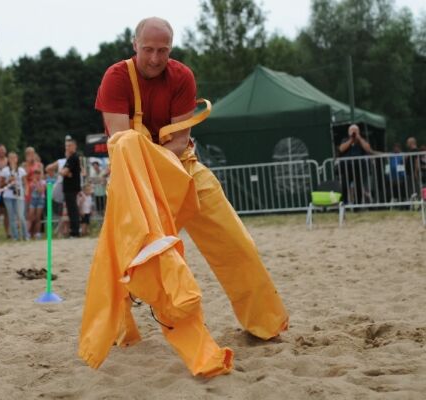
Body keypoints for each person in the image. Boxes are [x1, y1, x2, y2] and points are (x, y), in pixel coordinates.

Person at [91, 17, 287, 342]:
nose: (155, 58)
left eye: (163, 50)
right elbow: (120, 141)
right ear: (134, 45)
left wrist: (163, 169)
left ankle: (265, 325)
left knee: (237, 244)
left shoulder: (182, 76)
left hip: (184, 169)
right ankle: (120, 331)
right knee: (124, 258)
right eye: (148, 49)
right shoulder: (116, 77)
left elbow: (180, 141)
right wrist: (150, 178)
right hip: (136, 182)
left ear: (171, 48)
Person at [338, 124, 373, 204]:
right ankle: (344, 203)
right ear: (348, 132)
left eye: (355, 131)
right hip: (346, 167)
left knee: (358, 186)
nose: (354, 132)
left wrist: (359, 138)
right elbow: (341, 149)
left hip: (359, 167)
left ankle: (357, 204)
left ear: (359, 132)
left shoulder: (362, 140)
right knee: (344, 186)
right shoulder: (345, 140)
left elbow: (368, 149)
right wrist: (351, 140)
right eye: (352, 131)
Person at [1, 151, 28, 240]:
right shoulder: (5, 170)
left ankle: (25, 235)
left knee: (21, 215)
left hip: (19, 195)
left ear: (17, 159)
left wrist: (26, 191)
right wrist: (8, 181)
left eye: (14, 158)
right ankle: (15, 236)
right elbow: (1, 183)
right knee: (11, 216)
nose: (12, 160)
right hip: (8, 196)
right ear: (8, 160)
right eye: (10, 158)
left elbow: (25, 182)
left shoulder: (21, 170)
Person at [61, 136, 81, 237]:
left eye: (69, 146)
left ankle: (75, 231)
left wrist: (65, 172)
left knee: (73, 210)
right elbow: (65, 172)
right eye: (66, 146)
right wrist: (66, 173)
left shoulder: (73, 157)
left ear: (74, 146)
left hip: (71, 188)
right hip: (70, 188)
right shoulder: (70, 158)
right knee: (71, 209)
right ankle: (74, 230)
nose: (67, 148)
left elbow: (63, 172)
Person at [0, 144, 10, 239]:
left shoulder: (8, 161)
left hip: (6, 189)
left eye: (3, 150)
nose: (1, 152)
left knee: (6, 212)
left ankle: (7, 232)